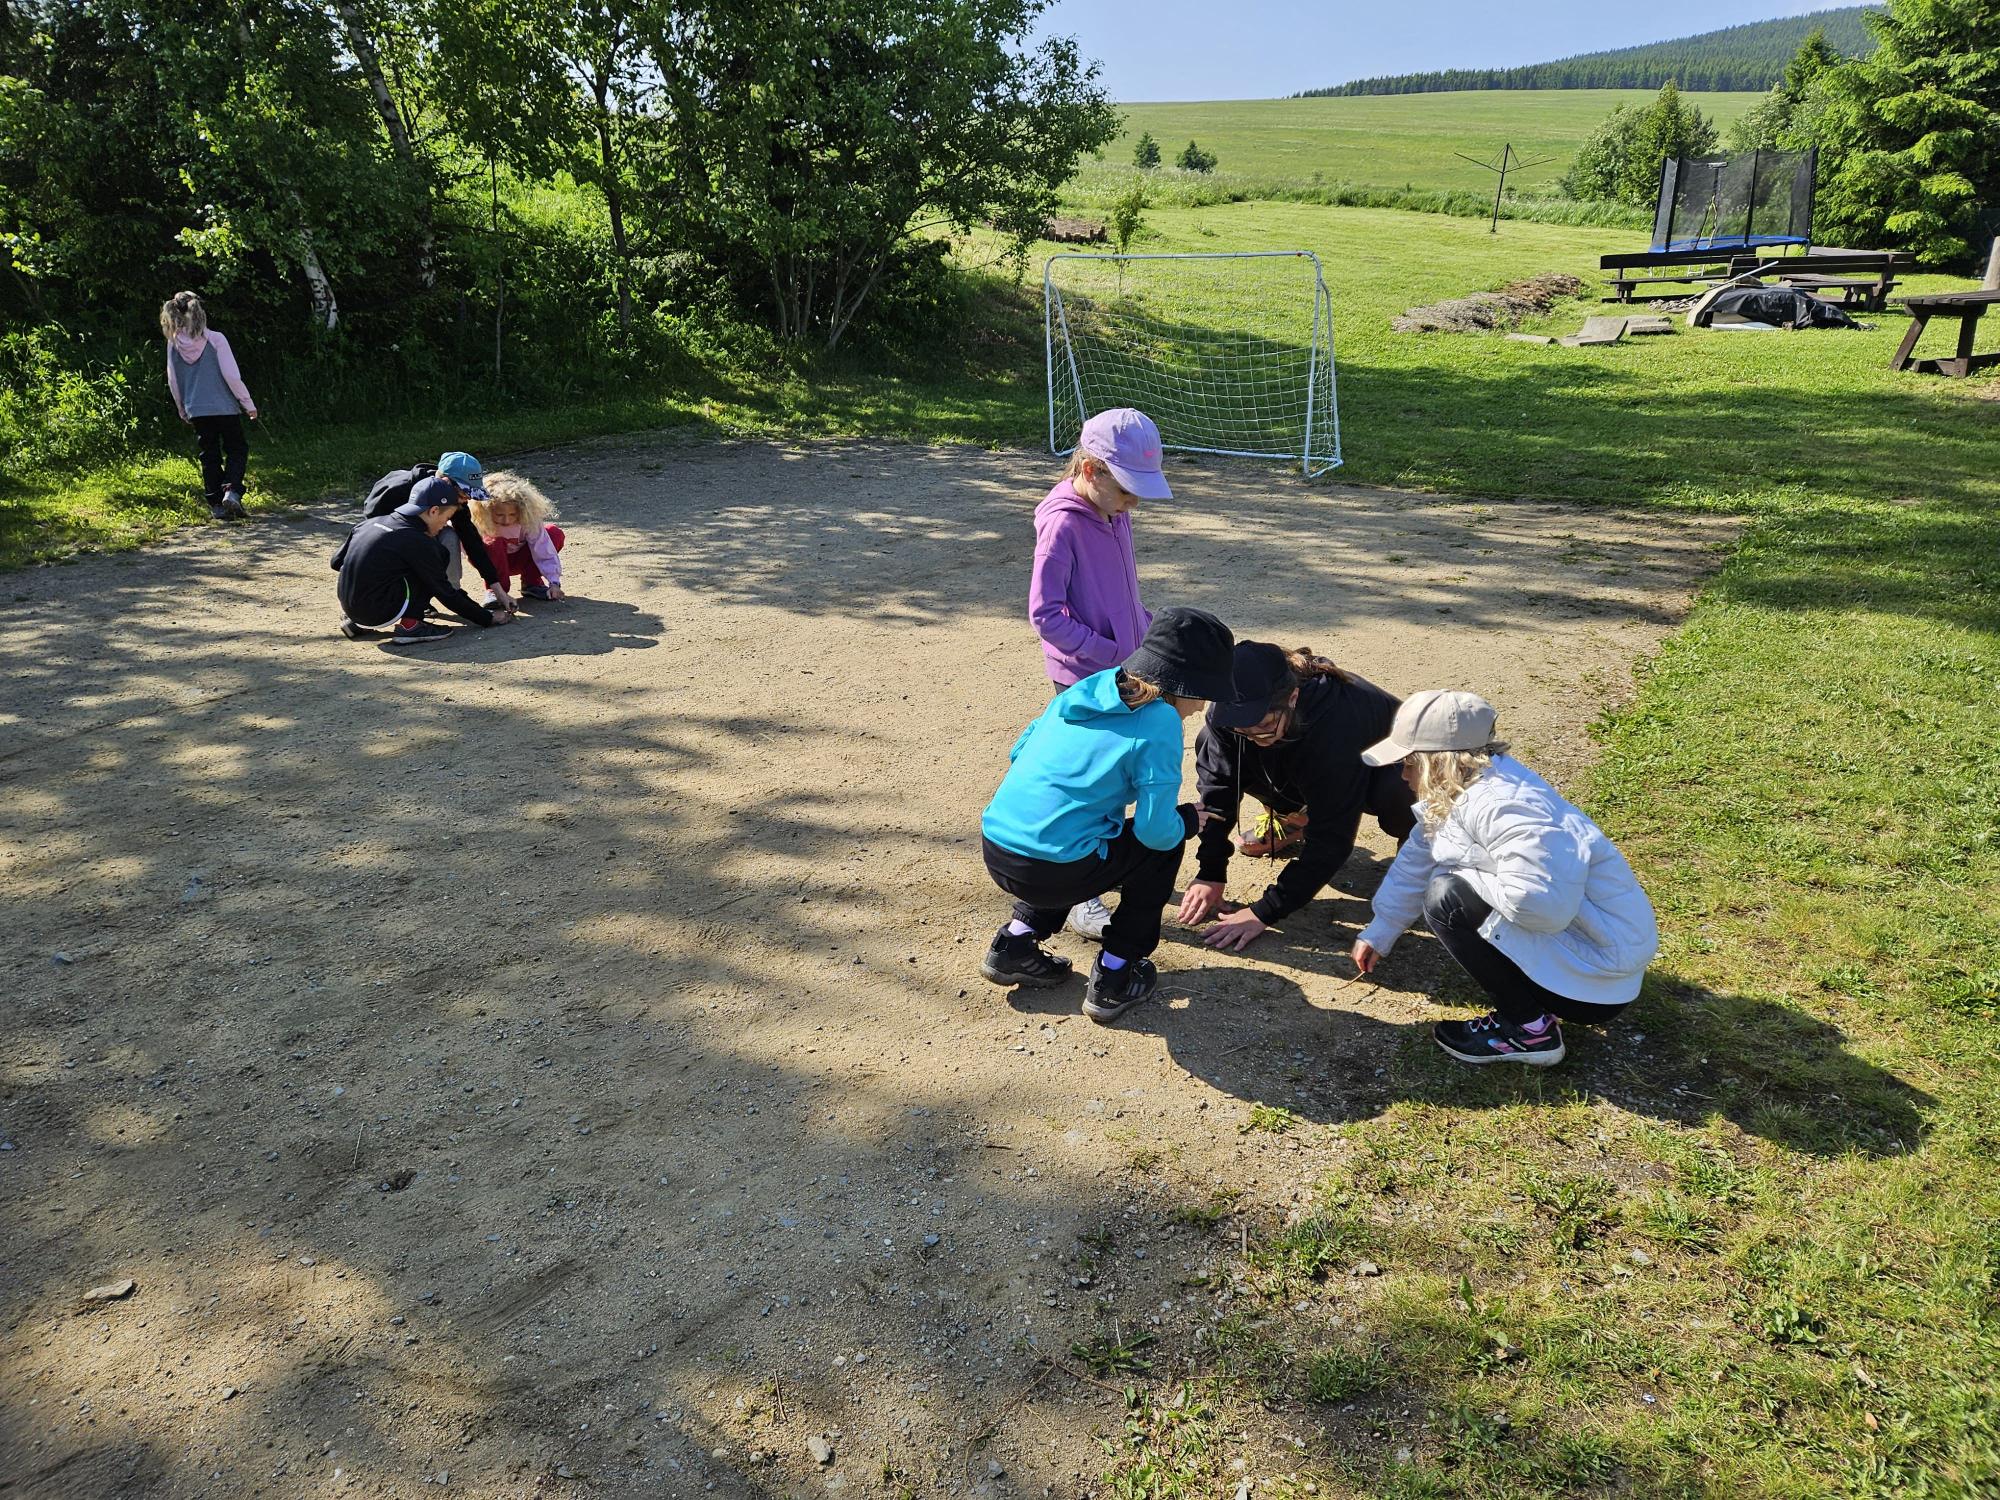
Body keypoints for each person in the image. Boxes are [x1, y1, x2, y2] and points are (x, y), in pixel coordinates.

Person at [1348, 691, 1658, 1067]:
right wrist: (1381, 929)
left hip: (1596, 981)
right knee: (1447, 881)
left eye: (1408, 762)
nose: (1403, 775)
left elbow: (1542, 906)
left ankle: (1530, 1031)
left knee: (1446, 895)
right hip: (1595, 959)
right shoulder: (1466, 788)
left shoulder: (1503, 804)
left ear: (1437, 761)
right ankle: (1535, 1006)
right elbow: (1418, 854)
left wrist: (1463, 873)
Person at [979, 607, 1235, 1024]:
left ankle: (1014, 944)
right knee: (1163, 846)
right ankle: (1116, 973)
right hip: (1056, 870)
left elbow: (1019, 752)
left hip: (999, 846)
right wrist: (1189, 820)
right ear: (1184, 684)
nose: (1201, 706)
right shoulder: (1161, 721)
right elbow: (1155, 831)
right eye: (1203, 693)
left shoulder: (1089, 688)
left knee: (1074, 834)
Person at [1027, 407, 1168, 942]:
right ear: (1090, 470)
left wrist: (1146, 631)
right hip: (1085, 677)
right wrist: (1105, 651)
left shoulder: (1114, 512)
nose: (1135, 502)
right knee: (1092, 782)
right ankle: (1080, 889)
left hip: (1124, 666)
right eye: (1128, 489)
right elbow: (1046, 614)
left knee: (1121, 774)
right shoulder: (1063, 522)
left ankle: (1105, 860)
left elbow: (1122, 593)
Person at [1178, 642, 1416, 951]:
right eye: (1242, 728)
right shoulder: (1229, 715)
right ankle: (1296, 818)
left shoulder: (1336, 720)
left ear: (1292, 697)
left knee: (1399, 789)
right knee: (1210, 744)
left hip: (1381, 769)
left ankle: (1419, 847)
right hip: (1311, 767)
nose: (1255, 735)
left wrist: (1265, 911)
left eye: (1264, 723)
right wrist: (1210, 870)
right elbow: (1218, 789)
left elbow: (1332, 839)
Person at [332, 476, 515, 645]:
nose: (444, 525)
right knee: (433, 562)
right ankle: (411, 626)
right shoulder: (420, 542)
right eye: (446, 518)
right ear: (434, 511)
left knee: (384, 565)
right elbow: (445, 593)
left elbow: (336, 562)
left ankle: (356, 620)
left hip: (350, 607)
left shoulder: (369, 523)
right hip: (378, 612)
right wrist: (487, 617)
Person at [361, 451, 512, 613]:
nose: (466, 499)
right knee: (415, 550)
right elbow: (371, 528)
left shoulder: (454, 498)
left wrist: (497, 588)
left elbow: (471, 540)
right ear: (446, 482)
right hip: (390, 538)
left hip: (418, 534)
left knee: (449, 536)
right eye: (464, 492)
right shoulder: (398, 489)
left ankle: (453, 591)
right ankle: (409, 601)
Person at [160, 291, 257, 520]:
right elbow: (231, 376)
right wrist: (247, 403)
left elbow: (173, 380)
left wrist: (182, 408)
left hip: (196, 409)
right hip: (225, 407)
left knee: (209, 454)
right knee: (236, 448)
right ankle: (232, 491)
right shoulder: (216, 339)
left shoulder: (173, 344)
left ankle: (216, 504)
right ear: (199, 310)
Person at [471, 471, 566, 602]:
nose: (506, 520)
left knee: (553, 533)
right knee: (493, 541)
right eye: (499, 515)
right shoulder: (480, 521)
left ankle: (532, 583)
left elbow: (544, 549)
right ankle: (496, 591)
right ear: (486, 510)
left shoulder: (528, 520)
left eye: (512, 514)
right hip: (491, 563)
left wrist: (554, 582)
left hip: (520, 560)